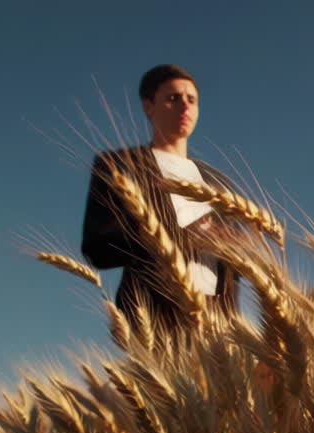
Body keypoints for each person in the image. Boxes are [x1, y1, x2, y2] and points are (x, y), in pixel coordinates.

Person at [82, 64, 242, 332]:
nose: (185, 106)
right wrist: (184, 238)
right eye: (173, 98)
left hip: (219, 323)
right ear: (149, 106)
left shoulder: (220, 182)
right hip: (155, 318)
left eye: (192, 100)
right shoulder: (120, 165)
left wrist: (243, 245)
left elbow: (236, 259)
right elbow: (98, 247)